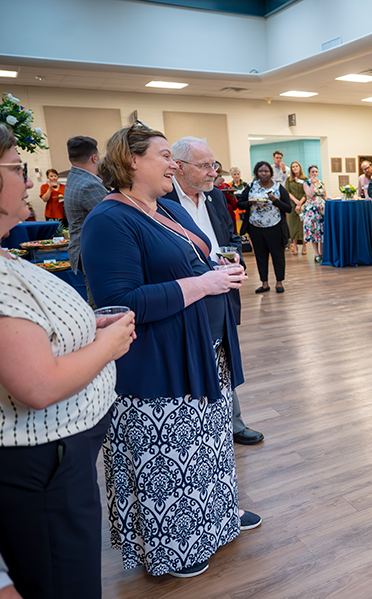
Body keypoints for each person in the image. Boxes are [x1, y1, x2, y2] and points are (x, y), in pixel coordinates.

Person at [80, 124, 260, 579]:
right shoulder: (109, 219)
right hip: (158, 359)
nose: (173, 164)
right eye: (165, 156)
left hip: (199, 347)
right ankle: (176, 547)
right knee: (172, 457)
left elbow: (189, 261)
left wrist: (217, 267)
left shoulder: (161, 208)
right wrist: (204, 282)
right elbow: (121, 302)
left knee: (208, 447)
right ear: (132, 161)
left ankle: (216, 521)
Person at [0, 123, 136, 599]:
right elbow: (37, 386)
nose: (31, 181)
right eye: (17, 168)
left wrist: (83, 329)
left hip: (62, 458)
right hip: (45, 464)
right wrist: (109, 345)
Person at [166, 136, 264, 446]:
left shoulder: (216, 198)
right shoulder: (162, 201)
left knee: (224, 358)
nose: (213, 172)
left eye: (214, 165)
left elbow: (230, 238)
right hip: (188, 295)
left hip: (222, 293)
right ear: (179, 168)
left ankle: (232, 422)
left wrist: (233, 256)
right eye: (205, 166)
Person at [238, 161, 292, 291]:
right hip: (255, 227)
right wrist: (249, 203)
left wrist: (275, 201)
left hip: (275, 226)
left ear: (270, 173)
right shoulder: (251, 186)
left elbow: (289, 208)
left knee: (277, 255)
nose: (263, 174)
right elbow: (240, 204)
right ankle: (264, 283)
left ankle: (279, 282)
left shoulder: (278, 188)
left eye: (266, 171)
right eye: (261, 171)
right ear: (257, 173)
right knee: (260, 256)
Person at [63, 135, 106, 276]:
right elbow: (113, 215)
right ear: (94, 158)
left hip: (80, 249)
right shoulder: (89, 185)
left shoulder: (74, 177)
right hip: (91, 252)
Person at [302, 165, 327, 263]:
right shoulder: (306, 183)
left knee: (321, 232)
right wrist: (312, 184)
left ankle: (322, 253)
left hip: (322, 210)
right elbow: (310, 195)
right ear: (309, 173)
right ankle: (316, 254)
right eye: (312, 172)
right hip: (311, 211)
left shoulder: (322, 182)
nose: (314, 174)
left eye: (316, 172)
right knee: (314, 232)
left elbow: (324, 195)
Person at [285, 161, 307, 255]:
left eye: (296, 166)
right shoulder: (289, 180)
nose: (295, 168)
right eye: (293, 167)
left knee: (303, 226)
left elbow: (307, 192)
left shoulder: (305, 179)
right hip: (292, 205)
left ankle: (304, 246)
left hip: (303, 205)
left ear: (299, 167)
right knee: (293, 226)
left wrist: (300, 202)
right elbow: (287, 192)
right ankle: (295, 247)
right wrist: (296, 201)